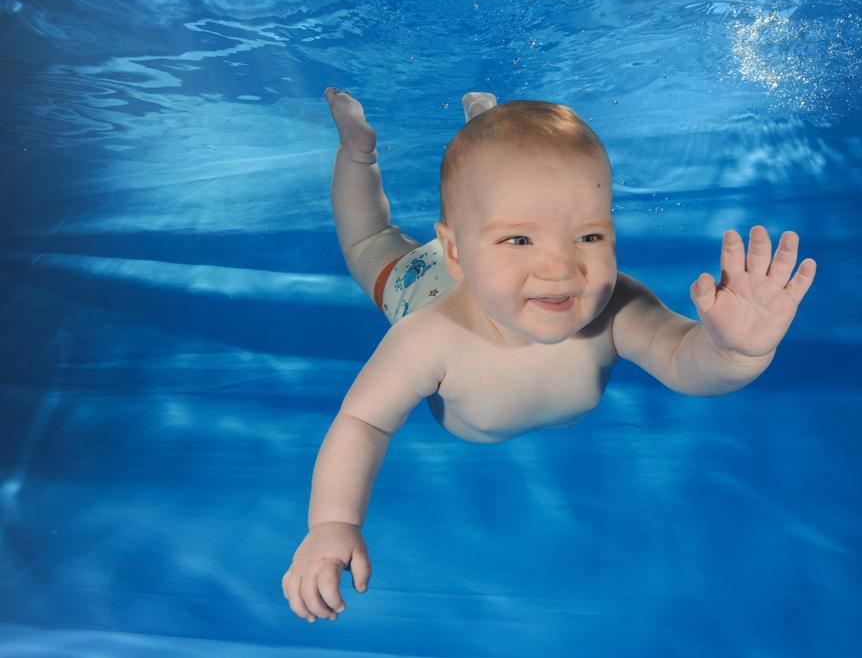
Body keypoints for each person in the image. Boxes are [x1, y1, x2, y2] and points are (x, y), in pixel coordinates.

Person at [282, 88, 817, 623]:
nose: (560, 269)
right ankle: (358, 152)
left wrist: (736, 350)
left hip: (490, 269)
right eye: (519, 239)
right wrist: (333, 523)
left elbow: (684, 360)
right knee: (369, 241)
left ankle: (487, 132)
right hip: (422, 285)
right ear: (454, 252)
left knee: (494, 180)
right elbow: (363, 423)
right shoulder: (427, 337)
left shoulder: (615, 307)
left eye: (589, 236)